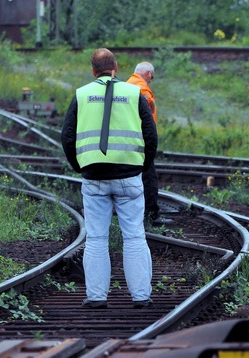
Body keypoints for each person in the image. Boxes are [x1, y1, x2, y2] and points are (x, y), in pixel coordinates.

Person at [61, 48, 157, 309]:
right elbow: (151, 135)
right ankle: (140, 296)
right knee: (135, 236)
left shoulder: (81, 95)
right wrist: (142, 167)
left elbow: (67, 137)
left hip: (94, 177)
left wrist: (81, 167)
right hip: (129, 176)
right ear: (116, 67)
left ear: (93, 70)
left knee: (96, 238)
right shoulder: (134, 93)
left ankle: (96, 297)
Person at [126, 62, 171, 226]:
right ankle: (152, 215)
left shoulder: (128, 83)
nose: (151, 79)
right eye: (152, 75)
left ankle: (137, 212)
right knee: (149, 177)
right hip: (142, 137)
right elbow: (148, 106)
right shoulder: (141, 87)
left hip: (129, 137)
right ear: (147, 73)